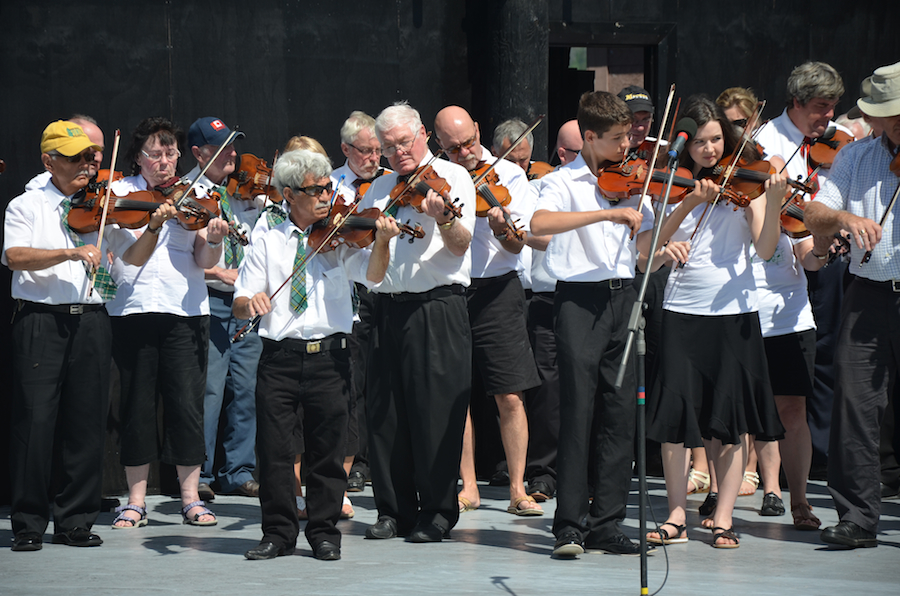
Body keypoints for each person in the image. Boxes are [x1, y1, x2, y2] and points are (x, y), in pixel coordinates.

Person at [5, 120, 174, 551]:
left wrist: (152, 229)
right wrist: (69, 251)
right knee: (36, 421)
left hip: (92, 319)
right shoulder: (26, 205)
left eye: (89, 157)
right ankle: (27, 522)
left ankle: (75, 519)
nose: (87, 165)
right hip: (41, 319)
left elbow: (130, 260)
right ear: (49, 161)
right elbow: (14, 256)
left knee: (86, 421)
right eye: (75, 158)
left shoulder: (102, 206)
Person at [237, 149, 400, 561]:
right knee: (274, 451)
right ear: (290, 195)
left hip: (331, 357)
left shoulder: (340, 235)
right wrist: (251, 302)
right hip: (280, 357)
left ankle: (325, 532)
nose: (329, 195)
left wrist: (380, 241)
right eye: (317, 190)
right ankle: (277, 532)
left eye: (330, 187)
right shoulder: (267, 235)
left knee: (327, 452)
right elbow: (241, 299)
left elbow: (375, 274)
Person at [641, 95, 788, 549]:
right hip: (683, 310)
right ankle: (676, 516)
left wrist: (774, 202)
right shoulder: (674, 183)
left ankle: (723, 516)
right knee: (675, 424)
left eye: (717, 139)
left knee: (729, 423)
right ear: (684, 145)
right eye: (700, 141)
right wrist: (687, 206)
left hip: (734, 312)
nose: (709, 149)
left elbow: (765, 249)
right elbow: (646, 249)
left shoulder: (749, 182)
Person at [530, 91, 654, 557]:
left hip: (623, 298)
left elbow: (642, 251)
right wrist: (606, 211)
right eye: (618, 138)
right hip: (579, 303)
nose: (627, 146)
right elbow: (538, 224)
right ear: (589, 137)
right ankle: (569, 524)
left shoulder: (631, 180)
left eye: (628, 137)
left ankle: (608, 522)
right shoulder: (562, 182)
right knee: (578, 411)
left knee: (620, 413)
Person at [358, 102, 477, 542]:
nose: (398, 154)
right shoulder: (381, 187)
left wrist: (443, 216)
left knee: (436, 412)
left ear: (423, 134)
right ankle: (394, 509)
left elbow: (462, 244)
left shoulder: (454, 177)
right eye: (388, 148)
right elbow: (368, 251)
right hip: (388, 306)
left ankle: (439, 511)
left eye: (404, 143)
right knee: (386, 413)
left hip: (437, 307)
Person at [107, 117, 229, 529]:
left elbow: (205, 262)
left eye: (171, 153)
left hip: (187, 311)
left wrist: (213, 239)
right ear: (137, 158)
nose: (164, 162)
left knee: (186, 406)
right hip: (133, 309)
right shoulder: (122, 195)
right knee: (137, 405)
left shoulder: (200, 194)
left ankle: (190, 498)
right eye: (155, 155)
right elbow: (130, 259)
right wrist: (155, 224)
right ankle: (136, 500)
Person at [804, 60, 900, 549]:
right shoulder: (856, 156)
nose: (895, 124)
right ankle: (858, 517)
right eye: (889, 116)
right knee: (855, 402)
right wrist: (842, 216)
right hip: (868, 294)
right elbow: (813, 210)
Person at [433, 106, 542, 516]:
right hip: (454, 290)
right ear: (439, 146)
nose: (464, 153)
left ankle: (517, 488)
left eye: (468, 143)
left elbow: (518, 244)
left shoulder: (510, 176)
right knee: (457, 393)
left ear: (479, 130)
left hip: (498, 290)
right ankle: (469, 486)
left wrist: (501, 229)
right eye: (453, 148)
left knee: (509, 392)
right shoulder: (440, 180)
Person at [754, 63, 852, 480]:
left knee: (820, 369)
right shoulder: (765, 145)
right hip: (773, 275)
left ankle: (813, 466)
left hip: (818, 258)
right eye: (820, 108)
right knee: (766, 393)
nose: (828, 118)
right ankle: (767, 478)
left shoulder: (835, 147)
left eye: (833, 108)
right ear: (795, 103)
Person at [183, 117, 263, 502]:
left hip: (245, 304)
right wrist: (218, 271)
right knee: (210, 391)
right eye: (222, 147)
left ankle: (238, 471)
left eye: (233, 144)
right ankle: (199, 472)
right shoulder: (187, 194)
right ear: (198, 153)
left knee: (246, 389)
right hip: (210, 301)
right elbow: (183, 256)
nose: (233, 153)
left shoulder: (242, 193)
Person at [493, 118, 564, 503]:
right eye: (512, 159)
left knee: (533, 388)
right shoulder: (490, 182)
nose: (521, 168)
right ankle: (501, 464)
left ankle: (538, 470)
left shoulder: (537, 188)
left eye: (525, 160)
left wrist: (516, 231)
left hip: (530, 294)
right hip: (503, 291)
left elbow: (544, 238)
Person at [331, 111, 391, 516]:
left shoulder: (391, 184)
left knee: (382, 378)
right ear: (346, 150)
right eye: (366, 151)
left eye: (377, 150)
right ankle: (351, 464)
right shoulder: (330, 185)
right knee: (350, 380)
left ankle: (377, 461)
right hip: (348, 290)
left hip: (385, 288)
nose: (374, 158)